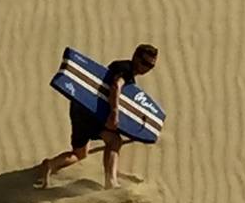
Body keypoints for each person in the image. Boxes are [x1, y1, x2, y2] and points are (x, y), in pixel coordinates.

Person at [38, 43, 159, 189]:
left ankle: (50, 164)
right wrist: (114, 114)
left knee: (80, 153)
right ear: (135, 57)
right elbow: (116, 86)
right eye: (144, 62)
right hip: (91, 114)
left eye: (150, 66)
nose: (146, 68)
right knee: (114, 141)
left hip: (79, 109)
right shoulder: (126, 70)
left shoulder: (118, 65)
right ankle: (111, 182)